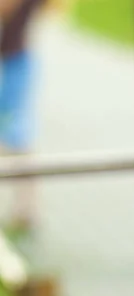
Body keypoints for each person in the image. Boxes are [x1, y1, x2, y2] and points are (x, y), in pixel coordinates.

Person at [0, 0, 43, 233]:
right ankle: (25, 209)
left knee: (16, 137)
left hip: (15, 63)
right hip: (14, 60)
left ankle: (25, 210)